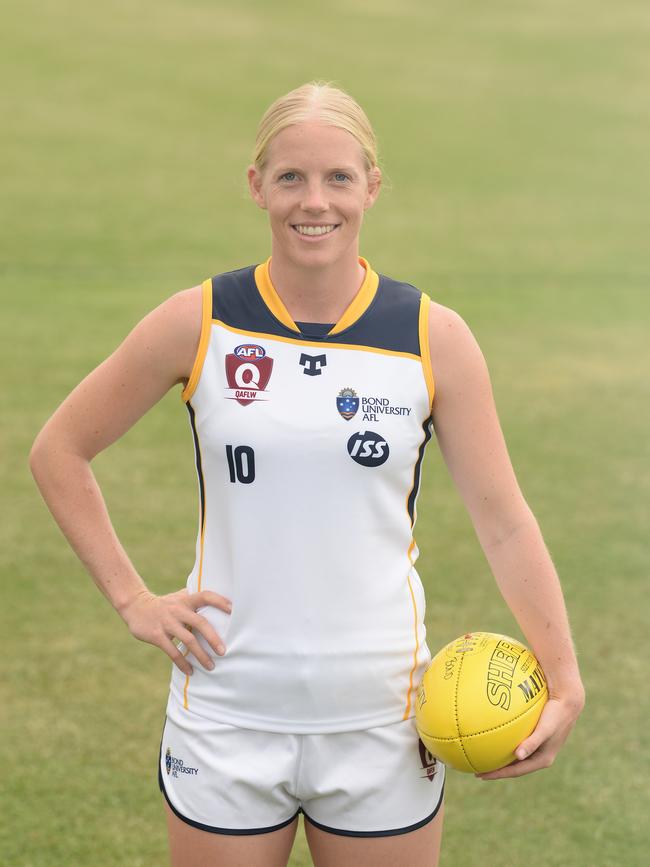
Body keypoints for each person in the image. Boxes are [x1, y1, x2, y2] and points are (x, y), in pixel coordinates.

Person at [30, 81, 585, 867]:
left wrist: (564, 679)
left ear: (372, 187)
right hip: (226, 714)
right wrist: (132, 598)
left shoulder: (434, 338)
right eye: (290, 177)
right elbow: (59, 450)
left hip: (381, 723)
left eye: (338, 177)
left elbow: (505, 521)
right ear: (256, 185)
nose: (313, 201)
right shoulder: (201, 321)